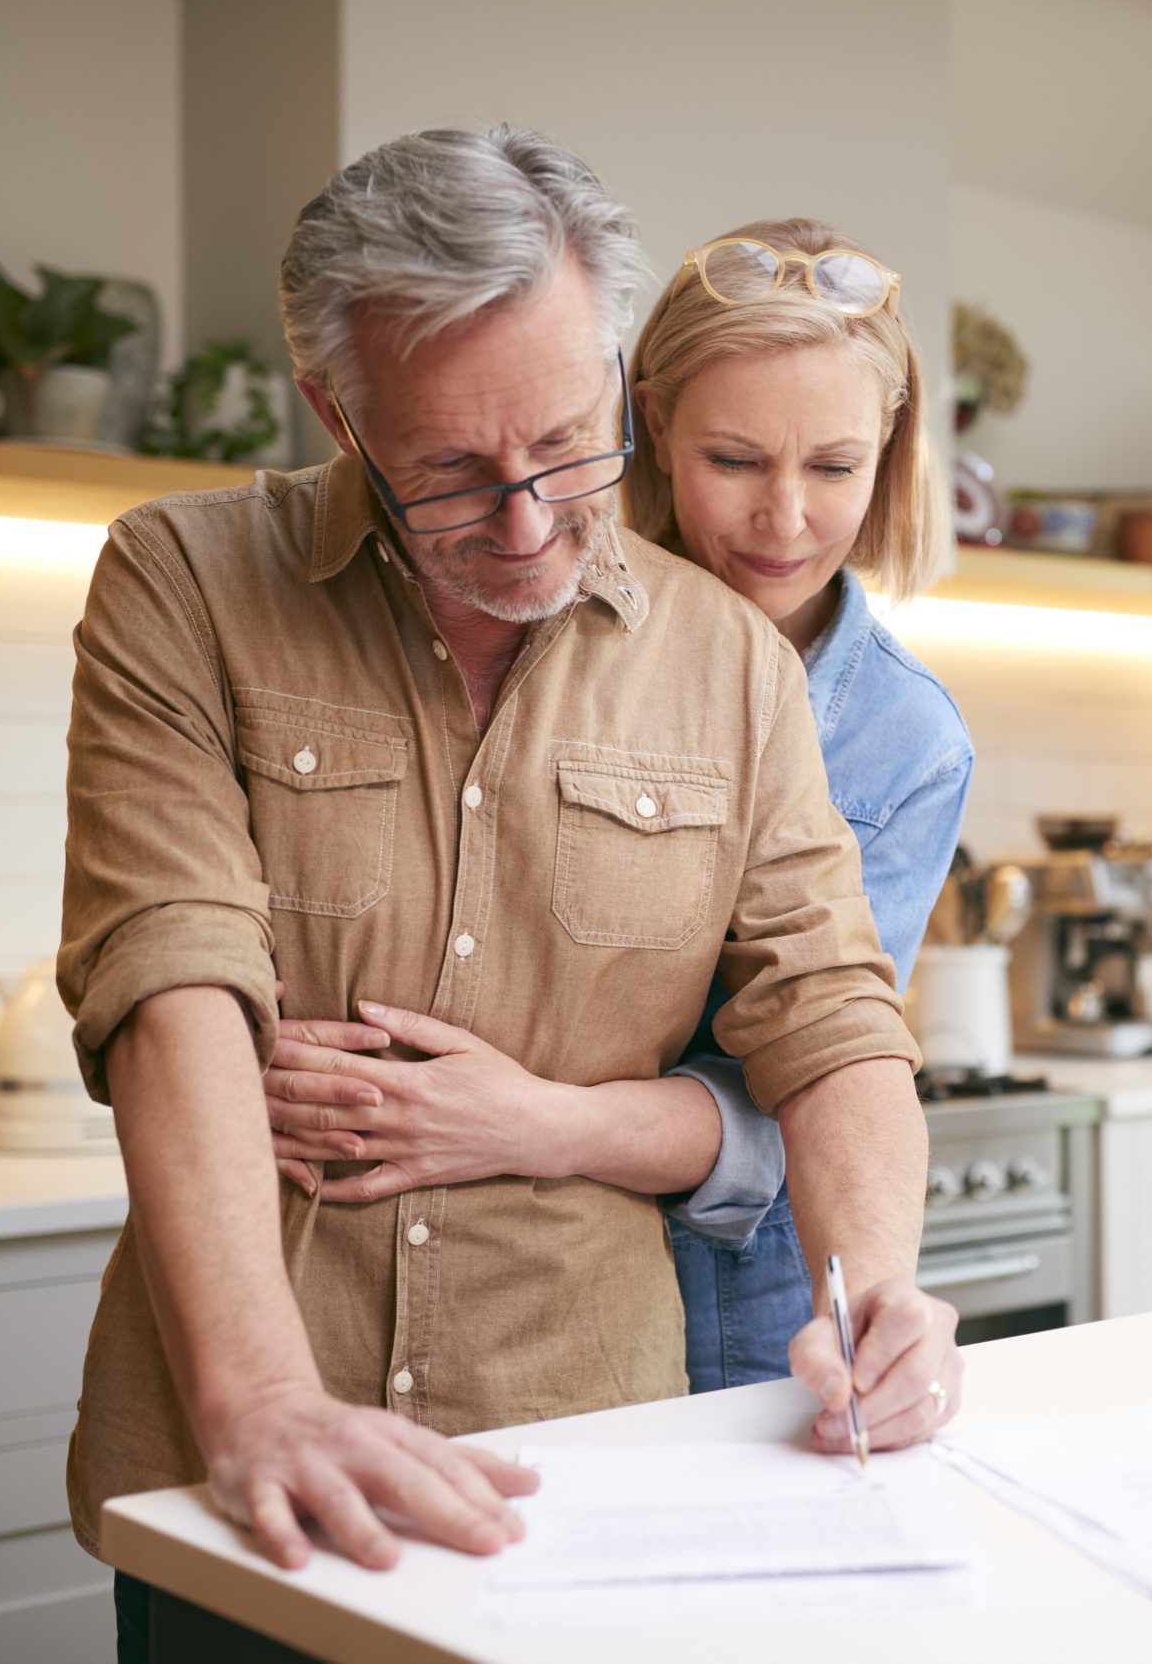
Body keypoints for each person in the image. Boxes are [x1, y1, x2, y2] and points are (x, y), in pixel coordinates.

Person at [57, 128, 961, 1641]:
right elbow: (171, 972)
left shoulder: (732, 661)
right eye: (455, 475)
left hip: (584, 1452)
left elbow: (833, 1015)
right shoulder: (184, 582)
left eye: (565, 444)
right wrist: (264, 1394)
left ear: (618, 378)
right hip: (243, 1458)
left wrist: (876, 1291)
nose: (532, 523)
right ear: (336, 408)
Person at [267, 218, 973, 1394]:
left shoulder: (904, 737)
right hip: (466, 1282)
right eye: (735, 461)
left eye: (834, 466)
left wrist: (533, 1117)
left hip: (747, 1292)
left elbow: (801, 1073)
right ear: (639, 422)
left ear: (891, 453)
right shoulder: (515, 596)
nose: (783, 518)